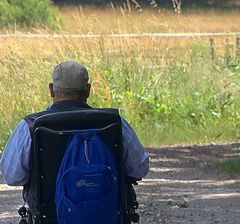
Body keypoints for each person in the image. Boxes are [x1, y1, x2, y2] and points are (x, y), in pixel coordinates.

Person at [0, 60, 149, 207]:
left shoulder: (30, 126)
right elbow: (139, 169)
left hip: (49, 215)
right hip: (109, 213)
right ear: (88, 90)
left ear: (51, 90)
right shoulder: (114, 122)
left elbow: (13, 176)